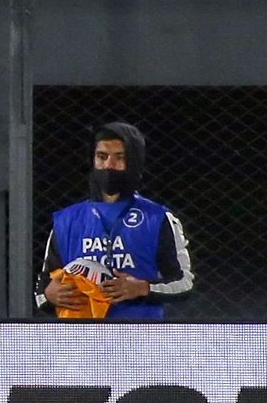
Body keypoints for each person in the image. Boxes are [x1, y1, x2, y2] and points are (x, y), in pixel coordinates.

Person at [39, 121, 196, 320]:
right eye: (102, 157)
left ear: (134, 162)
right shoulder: (66, 220)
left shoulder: (158, 218)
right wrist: (49, 295)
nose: (109, 166)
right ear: (92, 160)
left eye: (120, 158)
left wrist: (142, 288)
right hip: (80, 340)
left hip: (140, 337)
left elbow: (185, 284)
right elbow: (42, 289)